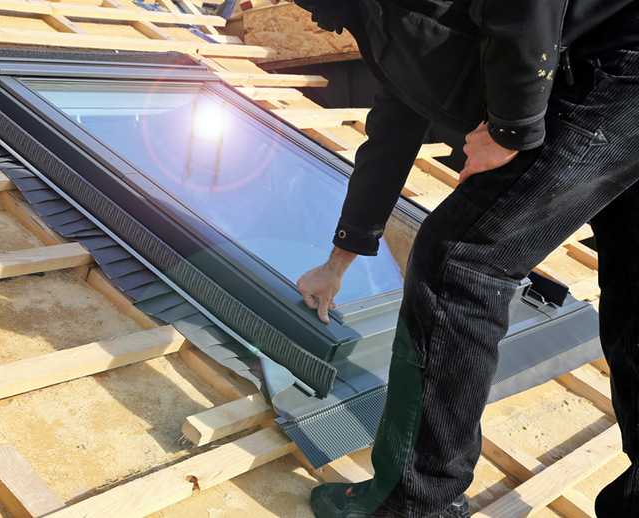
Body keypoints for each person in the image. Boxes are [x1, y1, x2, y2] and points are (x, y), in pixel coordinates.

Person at [270, 0, 639, 516]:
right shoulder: (374, 19)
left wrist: (512, 127)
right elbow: (392, 129)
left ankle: (414, 504)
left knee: (458, 260)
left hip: (618, 64)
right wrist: (338, 261)